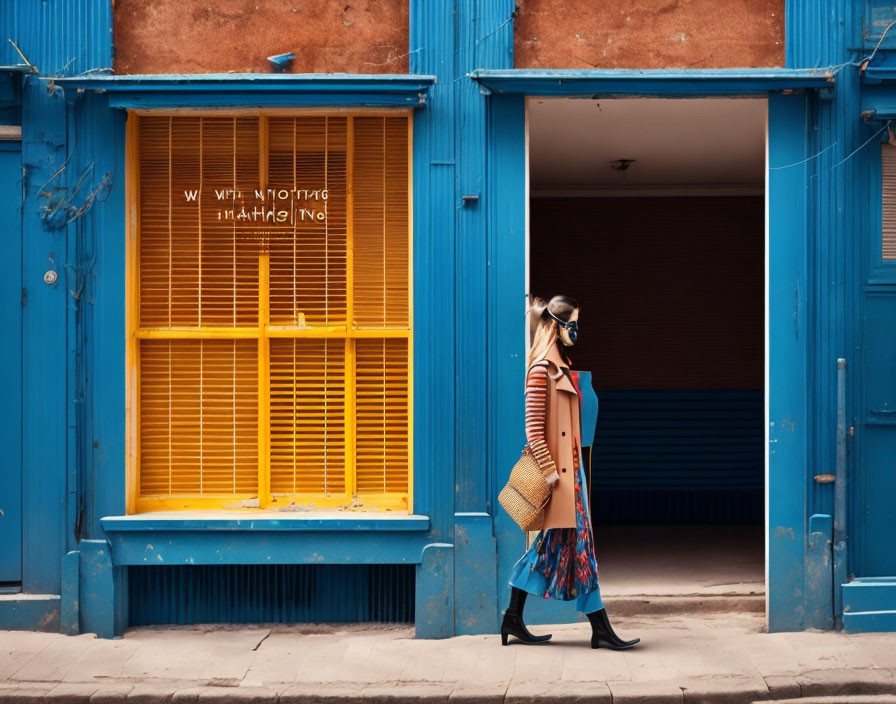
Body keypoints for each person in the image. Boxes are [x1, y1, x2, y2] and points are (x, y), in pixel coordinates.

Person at [500, 295, 640, 650]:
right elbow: (533, 428)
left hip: (571, 471)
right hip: (558, 477)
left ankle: (514, 617)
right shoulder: (540, 370)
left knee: (555, 551)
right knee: (581, 550)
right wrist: (550, 475)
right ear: (555, 325)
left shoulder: (560, 365)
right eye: (572, 324)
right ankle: (600, 628)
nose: (576, 330)